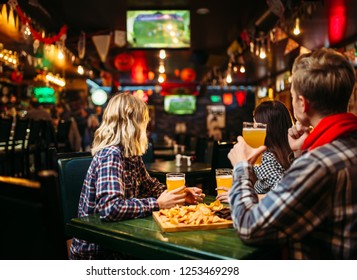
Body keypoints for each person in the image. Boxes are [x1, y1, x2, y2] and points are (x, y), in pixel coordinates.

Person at [227, 48, 357, 259]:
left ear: (302, 103)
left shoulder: (319, 164)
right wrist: (301, 153)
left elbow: (249, 227)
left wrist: (241, 168)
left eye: (293, 95)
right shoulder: (339, 148)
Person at [69, 92, 205, 259]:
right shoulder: (111, 154)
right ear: (132, 123)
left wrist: (180, 195)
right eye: (143, 121)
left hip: (121, 239)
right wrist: (157, 203)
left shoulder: (131, 154)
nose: (146, 127)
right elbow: (110, 209)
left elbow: (151, 186)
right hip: (100, 252)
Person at [216, 100, 293, 201]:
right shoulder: (291, 153)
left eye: (256, 124)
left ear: (267, 130)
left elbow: (283, 194)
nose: (253, 127)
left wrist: (243, 196)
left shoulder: (264, 158)